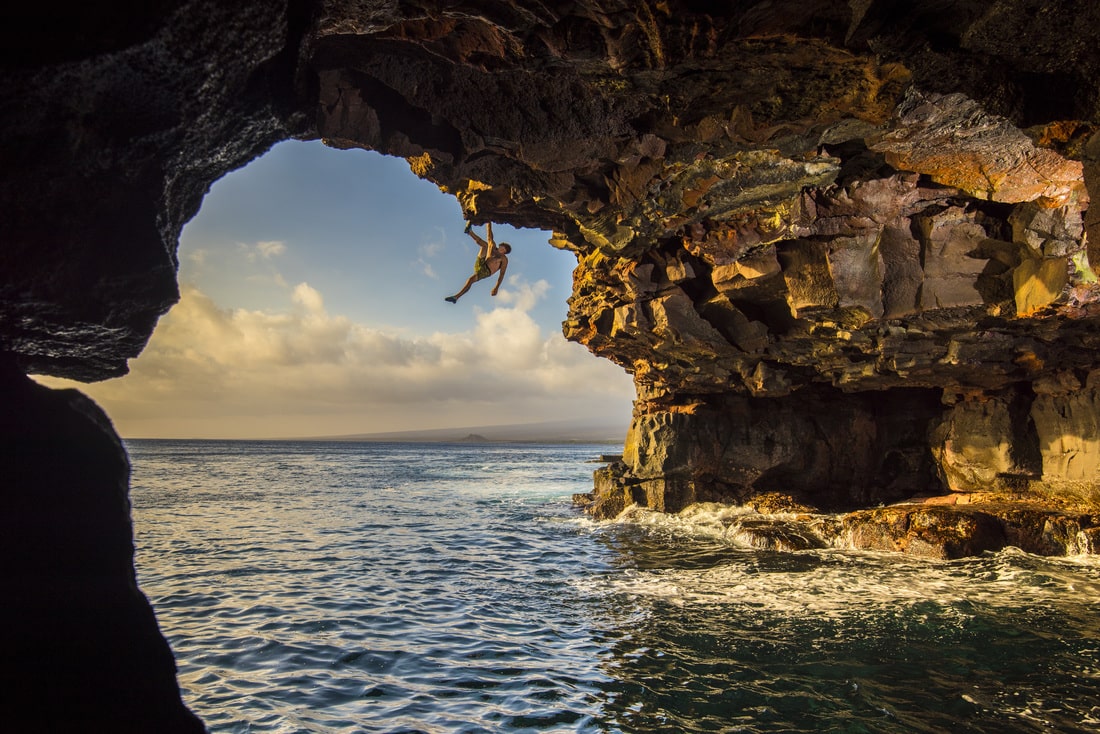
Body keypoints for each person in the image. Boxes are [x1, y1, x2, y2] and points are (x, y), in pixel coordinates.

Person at [445, 221, 510, 303]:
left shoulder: (503, 259)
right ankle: (469, 232)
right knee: (488, 244)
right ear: (500, 246)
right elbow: (489, 234)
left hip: (486, 271)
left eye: (504, 251)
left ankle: (456, 297)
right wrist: (488, 221)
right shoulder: (493, 247)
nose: (501, 250)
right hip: (480, 263)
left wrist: (496, 287)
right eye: (502, 248)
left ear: (505, 253)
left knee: (470, 280)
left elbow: (502, 274)